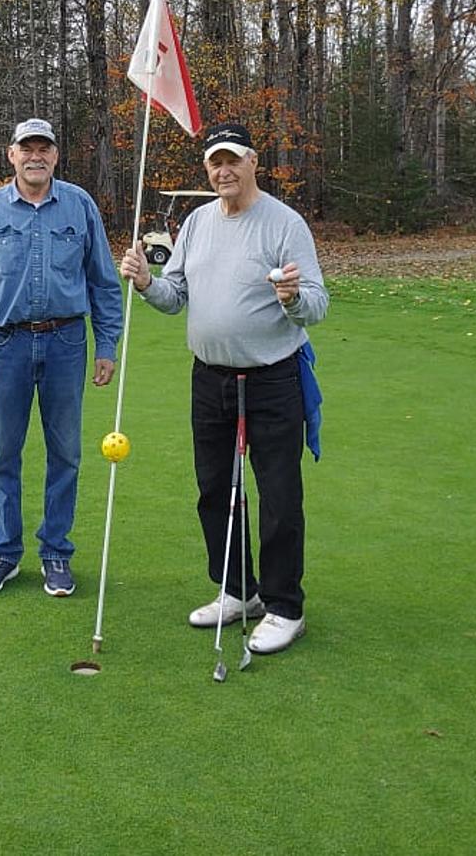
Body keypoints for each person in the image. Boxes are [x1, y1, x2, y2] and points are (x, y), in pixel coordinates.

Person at [119, 121, 328, 654]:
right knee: (215, 491)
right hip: (209, 378)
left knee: (279, 495)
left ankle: (285, 607)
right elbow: (176, 296)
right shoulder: (196, 222)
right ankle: (239, 590)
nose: (223, 170)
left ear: (253, 161)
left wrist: (291, 298)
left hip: (273, 378)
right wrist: (146, 284)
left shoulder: (284, 222)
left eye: (233, 159)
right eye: (215, 162)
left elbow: (317, 304)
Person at [0, 117, 123, 599]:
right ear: (12, 155)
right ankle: (3, 554)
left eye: (44, 148)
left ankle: (56, 554)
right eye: (27, 148)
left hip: (67, 342)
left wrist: (106, 345)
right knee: (5, 454)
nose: (36, 156)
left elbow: (104, 283)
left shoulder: (79, 204)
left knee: (65, 453)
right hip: (7, 346)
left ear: (55, 155)